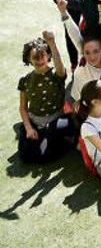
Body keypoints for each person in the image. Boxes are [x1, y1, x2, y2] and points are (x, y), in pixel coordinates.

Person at [16, 31, 77, 163]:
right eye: (35, 57)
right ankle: (44, 137)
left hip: (56, 121)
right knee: (25, 155)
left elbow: (60, 67)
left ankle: (54, 138)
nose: (39, 60)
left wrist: (51, 43)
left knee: (45, 155)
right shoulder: (25, 80)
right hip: (34, 122)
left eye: (42, 56)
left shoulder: (57, 74)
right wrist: (28, 128)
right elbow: (22, 108)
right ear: (28, 59)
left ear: (48, 55)